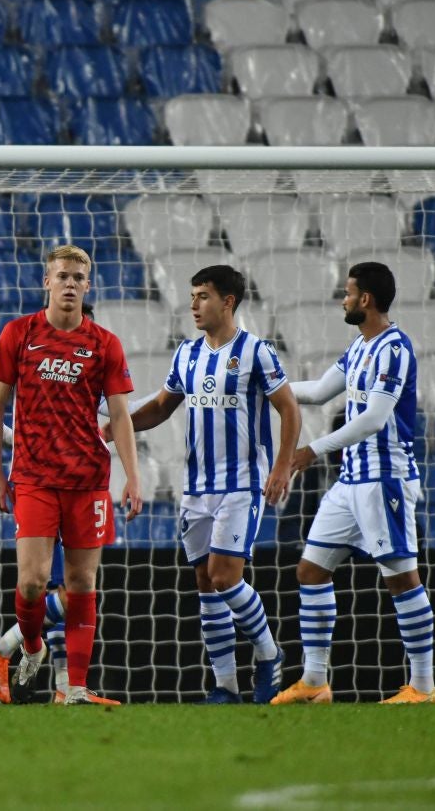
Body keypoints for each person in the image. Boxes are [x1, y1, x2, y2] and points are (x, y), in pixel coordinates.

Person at [120, 266, 300, 703]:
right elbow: (162, 407)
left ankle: (269, 653)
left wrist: (281, 468)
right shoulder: (186, 354)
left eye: (202, 296)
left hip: (242, 483)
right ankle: (225, 686)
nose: (193, 305)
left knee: (223, 577)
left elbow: (290, 411)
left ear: (228, 302)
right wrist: (114, 428)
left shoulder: (257, 351)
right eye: (192, 296)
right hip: (196, 487)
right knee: (205, 583)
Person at [0, 245, 143, 705]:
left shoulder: (105, 344)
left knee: (81, 585)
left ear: (88, 285)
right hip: (34, 476)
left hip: (89, 480)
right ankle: (29, 646)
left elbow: (121, 415)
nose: (70, 283)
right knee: (32, 582)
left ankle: (73, 688)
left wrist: (132, 476)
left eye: (78, 277)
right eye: (63, 276)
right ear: (46, 283)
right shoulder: (19, 334)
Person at [272, 261, 434, 705]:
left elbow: (375, 418)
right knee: (311, 569)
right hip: (350, 481)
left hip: (385, 479)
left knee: (401, 578)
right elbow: (321, 391)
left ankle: (423, 686)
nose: (342, 299)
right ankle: (315, 681)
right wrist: (268, 385)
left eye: (347, 293)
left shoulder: (394, 347)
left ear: (366, 299)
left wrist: (313, 449)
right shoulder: (360, 346)